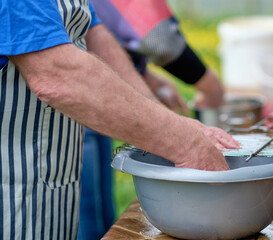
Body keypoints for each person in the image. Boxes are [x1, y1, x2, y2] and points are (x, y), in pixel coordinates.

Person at [0, 1, 239, 239]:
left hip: (49, 184)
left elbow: (92, 30)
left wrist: (163, 117)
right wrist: (187, 144)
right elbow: (55, 73)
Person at [78, 1, 227, 239]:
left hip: (90, 92)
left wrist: (143, 74)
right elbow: (159, 40)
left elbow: (94, 31)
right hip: (66, 101)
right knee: (83, 216)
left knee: (102, 216)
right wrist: (211, 87)